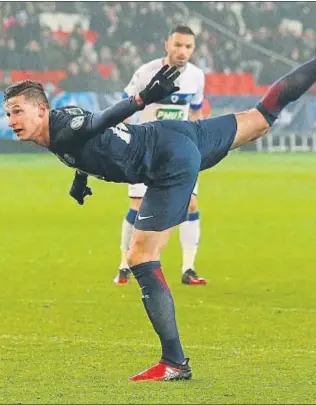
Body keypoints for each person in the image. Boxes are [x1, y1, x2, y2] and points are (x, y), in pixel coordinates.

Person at [3, 28, 316, 382]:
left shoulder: (66, 125)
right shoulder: (57, 128)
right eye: (8, 114)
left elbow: (98, 122)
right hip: (177, 134)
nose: (11, 121)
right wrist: (80, 179)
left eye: (18, 112)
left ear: (41, 109)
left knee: (140, 257)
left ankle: (174, 362)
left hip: (167, 164)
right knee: (260, 116)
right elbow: (84, 142)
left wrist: (139, 100)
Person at [114, 25, 207, 286]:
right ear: (167, 44)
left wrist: (199, 145)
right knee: (137, 206)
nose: (182, 51)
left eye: (188, 47)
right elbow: (124, 108)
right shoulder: (145, 73)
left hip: (180, 152)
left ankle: (188, 268)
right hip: (146, 150)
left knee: (190, 204)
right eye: (178, 45)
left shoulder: (197, 77)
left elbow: (196, 112)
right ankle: (124, 264)